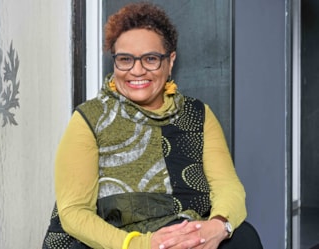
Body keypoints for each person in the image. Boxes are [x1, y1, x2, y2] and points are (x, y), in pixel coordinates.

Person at [43, 2, 263, 249]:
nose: (136, 71)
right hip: (119, 240)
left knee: (244, 237)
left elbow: (227, 186)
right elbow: (74, 212)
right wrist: (141, 244)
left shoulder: (198, 114)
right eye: (125, 59)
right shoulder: (90, 118)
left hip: (190, 232)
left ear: (170, 62)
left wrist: (217, 227)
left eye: (150, 59)